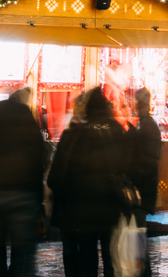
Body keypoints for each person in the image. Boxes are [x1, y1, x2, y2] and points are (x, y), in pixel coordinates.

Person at [48, 85, 131, 277]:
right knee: (112, 254)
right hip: (111, 205)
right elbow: (129, 165)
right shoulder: (118, 130)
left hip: (83, 206)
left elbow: (58, 174)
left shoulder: (76, 133)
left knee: (87, 254)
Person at [0, 86, 45, 277]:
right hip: (23, 193)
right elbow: (39, 161)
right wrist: (38, 198)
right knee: (23, 253)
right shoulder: (26, 120)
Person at [128, 88, 161, 277]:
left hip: (142, 189)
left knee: (138, 235)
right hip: (144, 187)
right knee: (138, 235)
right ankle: (142, 270)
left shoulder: (146, 126)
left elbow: (147, 162)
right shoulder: (145, 124)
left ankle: (143, 272)